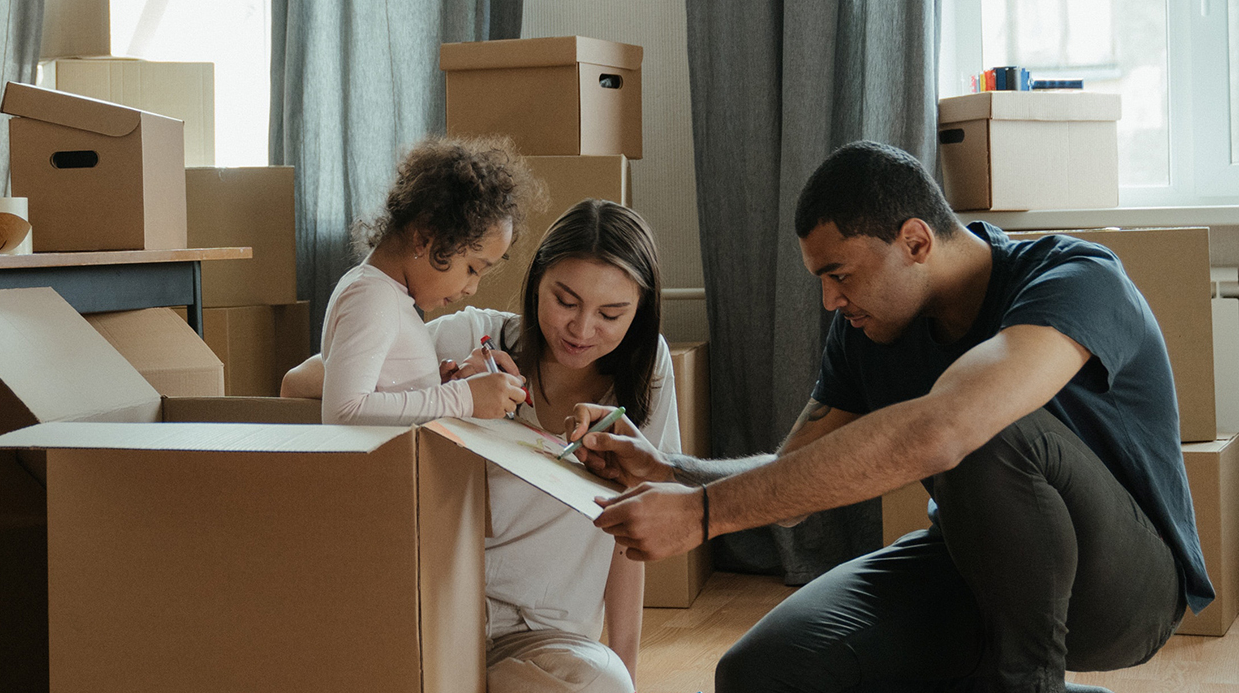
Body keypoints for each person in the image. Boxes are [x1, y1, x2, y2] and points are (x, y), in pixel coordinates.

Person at [569, 141, 1210, 693]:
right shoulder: (868, 330)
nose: (829, 299)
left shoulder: (1076, 277)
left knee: (986, 430)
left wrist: (703, 517)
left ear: (915, 240)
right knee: (761, 672)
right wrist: (676, 472)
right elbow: (792, 481)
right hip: (967, 564)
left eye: (839, 274)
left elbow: (948, 429)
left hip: (1124, 590)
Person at [289, 199, 680, 693]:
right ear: (536, 282)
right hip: (439, 615)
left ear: (639, 316)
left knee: (605, 686)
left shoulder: (648, 373)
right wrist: (441, 388)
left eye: (611, 314)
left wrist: (628, 668)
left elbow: (633, 525)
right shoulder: (473, 335)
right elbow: (299, 384)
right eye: (564, 301)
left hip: (547, 640)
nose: (582, 330)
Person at [318, 135, 534, 425]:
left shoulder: (387, 295)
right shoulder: (372, 297)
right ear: (424, 238)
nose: (472, 288)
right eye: (472, 269)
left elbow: (385, 399)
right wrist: (462, 397)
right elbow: (344, 411)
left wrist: (435, 390)